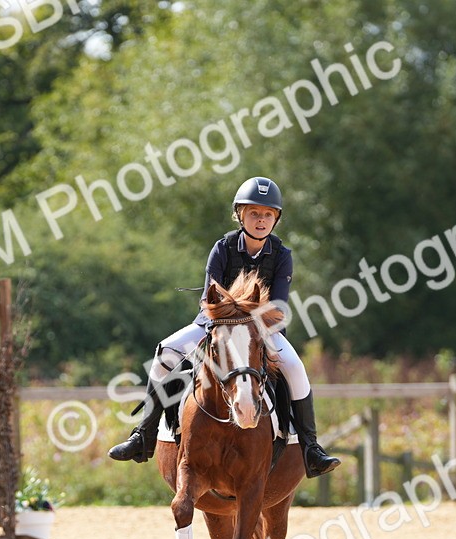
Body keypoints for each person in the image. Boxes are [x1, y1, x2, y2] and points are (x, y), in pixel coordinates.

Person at [108, 176, 340, 478]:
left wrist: (249, 328)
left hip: (261, 332)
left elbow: (278, 309)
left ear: (276, 219)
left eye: (267, 214)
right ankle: (144, 436)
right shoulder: (222, 248)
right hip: (215, 326)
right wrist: (226, 325)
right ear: (240, 214)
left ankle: (311, 447)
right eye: (254, 213)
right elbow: (208, 300)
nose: (261, 220)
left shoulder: (282, 256)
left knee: (295, 368)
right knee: (165, 353)